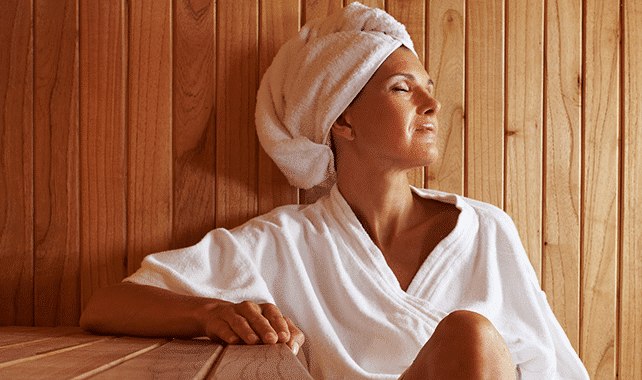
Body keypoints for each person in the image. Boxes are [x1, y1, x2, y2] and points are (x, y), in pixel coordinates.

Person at [80, 3, 588, 379]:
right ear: (341, 118)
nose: (432, 103)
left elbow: (554, 363)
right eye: (402, 88)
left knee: (471, 338)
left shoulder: (485, 230)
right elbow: (107, 304)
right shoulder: (285, 246)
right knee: (468, 334)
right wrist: (211, 312)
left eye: (429, 85)